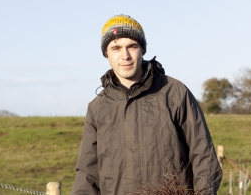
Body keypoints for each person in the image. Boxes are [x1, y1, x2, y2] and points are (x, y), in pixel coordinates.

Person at [71, 14, 222, 195]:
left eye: (132, 46)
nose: (125, 55)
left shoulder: (174, 92)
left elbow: (204, 156)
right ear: (106, 53)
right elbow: (87, 174)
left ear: (142, 49)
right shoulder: (98, 107)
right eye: (116, 48)